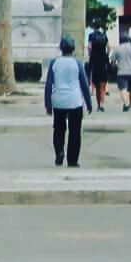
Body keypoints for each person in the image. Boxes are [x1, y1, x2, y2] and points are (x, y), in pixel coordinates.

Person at [45, 35, 92, 168]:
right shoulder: (77, 63)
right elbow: (84, 84)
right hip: (74, 100)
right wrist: (89, 103)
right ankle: (72, 159)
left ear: (61, 48)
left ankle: (59, 152)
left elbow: (49, 84)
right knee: (75, 131)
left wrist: (48, 104)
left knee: (58, 128)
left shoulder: (54, 62)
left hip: (58, 100)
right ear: (73, 48)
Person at [87, 24, 111, 111]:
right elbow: (109, 47)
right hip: (103, 62)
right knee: (102, 86)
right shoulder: (104, 35)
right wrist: (106, 54)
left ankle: (98, 105)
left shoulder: (91, 36)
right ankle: (102, 104)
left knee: (97, 87)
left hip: (95, 62)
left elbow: (89, 47)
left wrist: (91, 55)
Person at [115, 30, 131, 112]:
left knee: (123, 88)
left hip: (121, 71)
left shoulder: (117, 48)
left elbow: (112, 59)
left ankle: (126, 104)